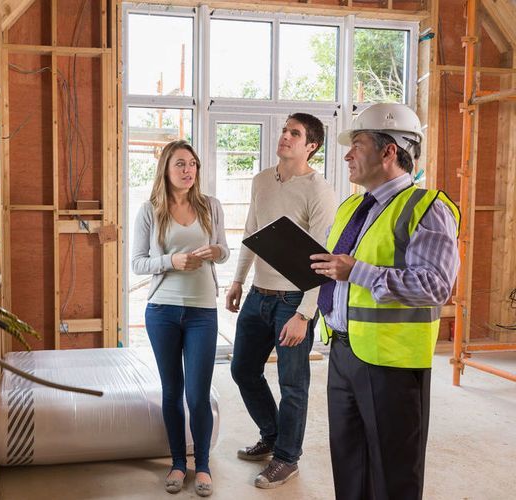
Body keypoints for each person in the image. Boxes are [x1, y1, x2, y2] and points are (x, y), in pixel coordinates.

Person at [310, 103, 460, 500]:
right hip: (343, 351)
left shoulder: (426, 208)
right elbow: (337, 270)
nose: (347, 154)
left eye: (356, 144)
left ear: (389, 151)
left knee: (393, 472)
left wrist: (356, 271)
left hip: (391, 363)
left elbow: (435, 286)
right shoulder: (350, 208)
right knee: (348, 462)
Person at [226, 114, 337, 489]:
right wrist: (238, 280)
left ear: (311, 146)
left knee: (293, 385)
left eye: (295, 133)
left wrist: (305, 315)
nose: (285, 137)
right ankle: (272, 435)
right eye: (285, 130)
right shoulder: (261, 181)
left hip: (294, 302)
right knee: (242, 369)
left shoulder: (319, 190)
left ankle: (287, 458)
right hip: (259, 295)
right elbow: (250, 234)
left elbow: (323, 260)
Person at [131, 140, 229, 497]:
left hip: (203, 310)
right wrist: (171, 261)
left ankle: (201, 466)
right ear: (166, 170)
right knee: (171, 390)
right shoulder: (150, 210)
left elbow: (223, 250)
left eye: (193, 164)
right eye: (180, 164)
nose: (188, 171)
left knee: (197, 392)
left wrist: (216, 251)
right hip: (163, 311)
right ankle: (177, 463)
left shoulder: (210, 207)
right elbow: (138, 262)